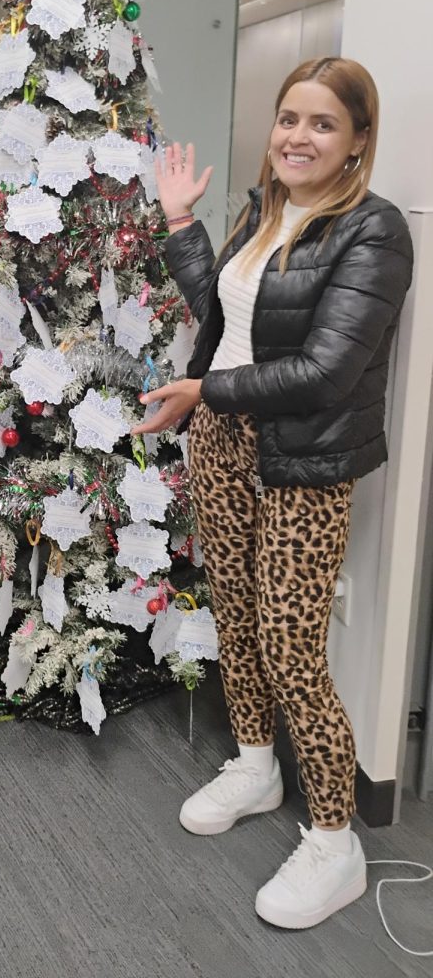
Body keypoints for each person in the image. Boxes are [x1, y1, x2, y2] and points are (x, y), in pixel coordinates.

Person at [132, 58, 413, 929]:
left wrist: (205, 393)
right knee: (238, 617)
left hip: (302, 458)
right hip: (220, 437)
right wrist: (181, 221)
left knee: (293, 646)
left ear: (359, 139)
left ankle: (337, 842)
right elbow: (227, 319)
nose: (297, 136)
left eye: (323, 123)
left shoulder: (376, 231)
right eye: (289, 117)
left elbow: (329, 371)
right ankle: (256, 764)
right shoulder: (264, 210)